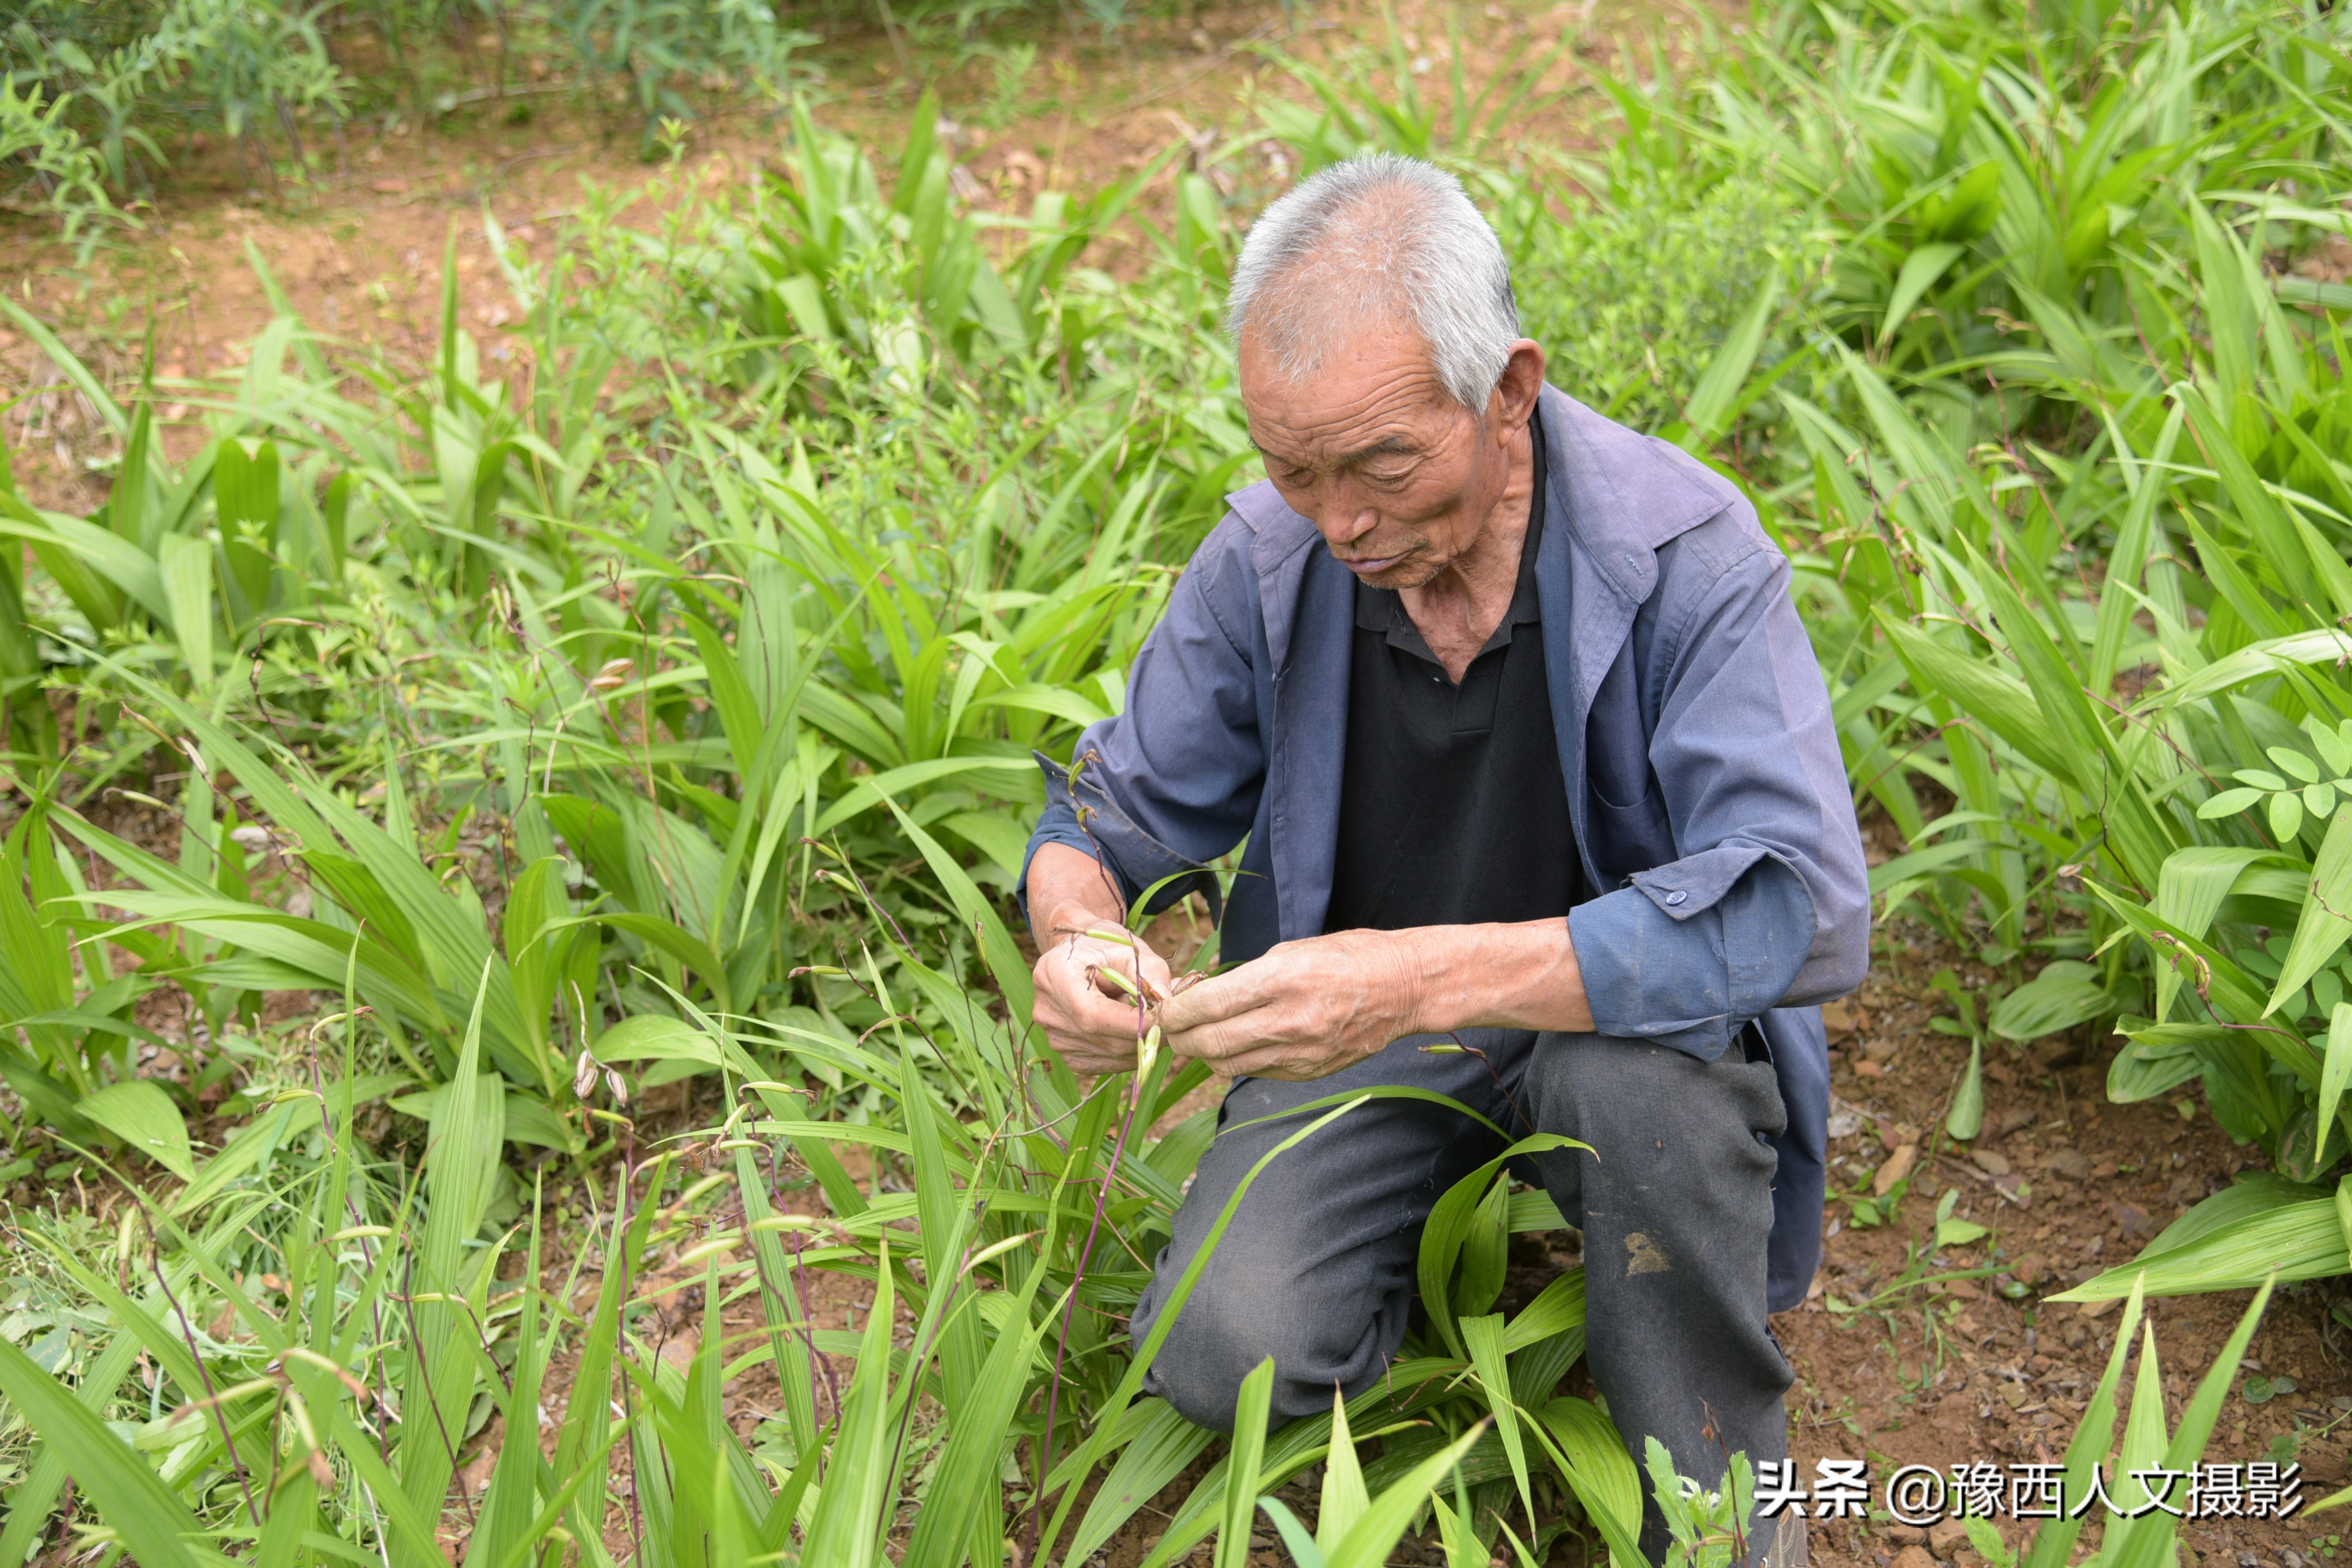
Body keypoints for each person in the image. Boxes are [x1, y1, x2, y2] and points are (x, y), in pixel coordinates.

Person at [1017, 153, 1867, 1567]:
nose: (1340, 521)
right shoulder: (1271, 564)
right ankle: (1434, 1411)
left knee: (1639, 1100)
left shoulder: (1689, 559)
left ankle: (1719, 1518)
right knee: (1226, 1353)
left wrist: (1414, 976)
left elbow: (1801, 905)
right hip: (1362, 1042)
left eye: (1383, 465)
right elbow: (1098, 824)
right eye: (1294, 468)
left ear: (1509, 391)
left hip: (1625, 1034)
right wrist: (1078, 933)